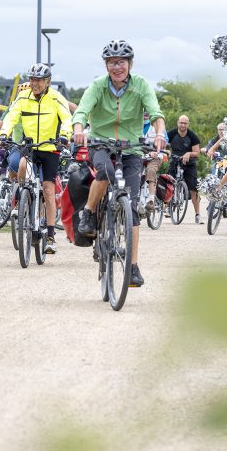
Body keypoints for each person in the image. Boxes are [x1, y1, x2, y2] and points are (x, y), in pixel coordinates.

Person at [72, 40, 166, 287]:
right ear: (106, 65)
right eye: (112, 62)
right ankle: (90, 213)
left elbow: (156, 113)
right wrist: (79, 129)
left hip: (132, 146)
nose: (117, 66)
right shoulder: (97, 86)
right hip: (100, 142)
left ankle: (132, 267)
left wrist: (159, 133)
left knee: (132, 206)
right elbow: (81, 111)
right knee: (104, 171)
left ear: (130, 64)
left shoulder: (141, 85)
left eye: (121, 62)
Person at [0, 63, 71, 254]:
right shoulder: (23, 97)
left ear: (47, 82)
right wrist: (4, 134)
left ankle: (51, 236)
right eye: (32, 79)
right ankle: (23, 201)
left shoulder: (56, 97)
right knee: (22, 166)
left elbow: (67, 117)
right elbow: (11, 117)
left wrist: (65, 135)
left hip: (50, 148)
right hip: (29, 147)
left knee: (48, 188)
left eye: (38, 80)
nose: (34, 83)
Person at [167, 115, 202, 223]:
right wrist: (167, 151)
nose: (183, 125)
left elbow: (197, 153)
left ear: (188, 124)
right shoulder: (171, 134)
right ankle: (168, 207)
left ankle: (197, 214)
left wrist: (188, 153)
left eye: (185, 123)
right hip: (175, 161)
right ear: (178, 123)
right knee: (168, 183)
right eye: (181, 123)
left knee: (193, 189)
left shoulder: (192, 136)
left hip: (189, 163)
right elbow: (164, 145)